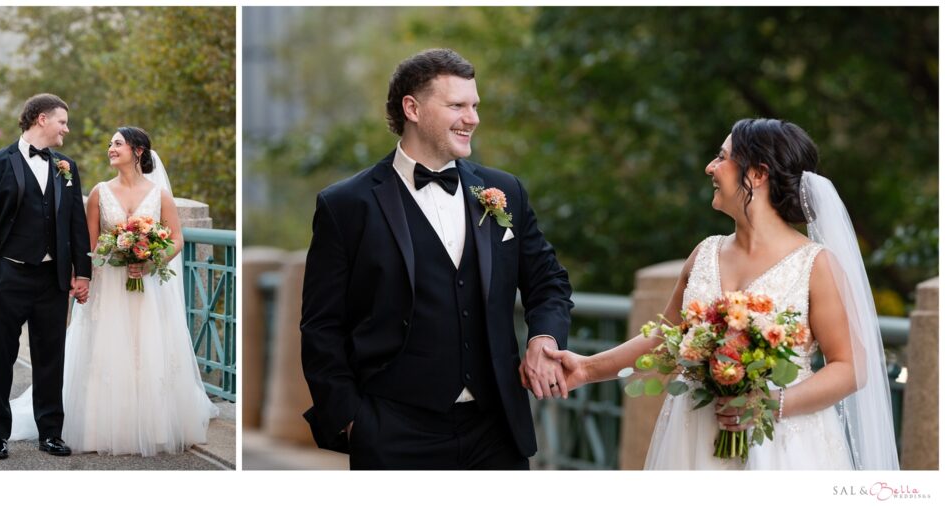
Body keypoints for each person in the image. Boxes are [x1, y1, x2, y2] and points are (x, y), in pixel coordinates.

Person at [545, 119, 899, 470]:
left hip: (783, 446)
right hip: (695, 437)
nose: (709, 167)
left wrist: (771, 402)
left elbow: (851, 368)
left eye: (722, 157)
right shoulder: (705, 253)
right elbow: (663, 339)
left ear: (757, 174)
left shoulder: (816, 264)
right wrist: (587, 369)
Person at [300, 48, 574, 470]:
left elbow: (548, 283)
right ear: (412, 108)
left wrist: (544, 339)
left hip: (496, 429)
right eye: (457, 105)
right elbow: (321, 326)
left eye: (475, 105)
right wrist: (354, 421)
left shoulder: (506, 191)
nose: (473, 118)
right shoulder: (346, 205)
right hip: (393, 430)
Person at [0, 126, 218, 457]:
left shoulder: (85, 172)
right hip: (78, 283)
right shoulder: (98, 191)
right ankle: (0, 434)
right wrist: (83, 276)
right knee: (3, 358)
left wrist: (150, 261)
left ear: (138, 151)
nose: (110, 148)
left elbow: (175, 238)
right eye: (109, 143)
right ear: (42, 120)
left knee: (84, 356)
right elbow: (85, 240)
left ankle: (64, 432)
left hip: (133, 286)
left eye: (117, 143)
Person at [0, 93, 91, 460]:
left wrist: (81, 272)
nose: (66, 128)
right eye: (62, 121)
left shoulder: (66, 166)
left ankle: (50, 432)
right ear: (40, 119)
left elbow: (76, 224)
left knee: (51, 358)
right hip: (9, 275)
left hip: (52, 279)